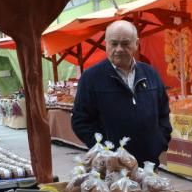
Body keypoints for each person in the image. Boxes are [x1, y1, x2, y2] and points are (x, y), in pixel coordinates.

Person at [71, 19, 172, 165]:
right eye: (113, 43)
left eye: (125, 43)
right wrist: (105, 150)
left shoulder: (150, 74)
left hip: (148, 164)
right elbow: (80, 121)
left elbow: (164, 112)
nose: (119, 49)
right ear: (106, 44)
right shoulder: (91, 78)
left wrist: (159, 142)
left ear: (136, 44)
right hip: (112, 167)